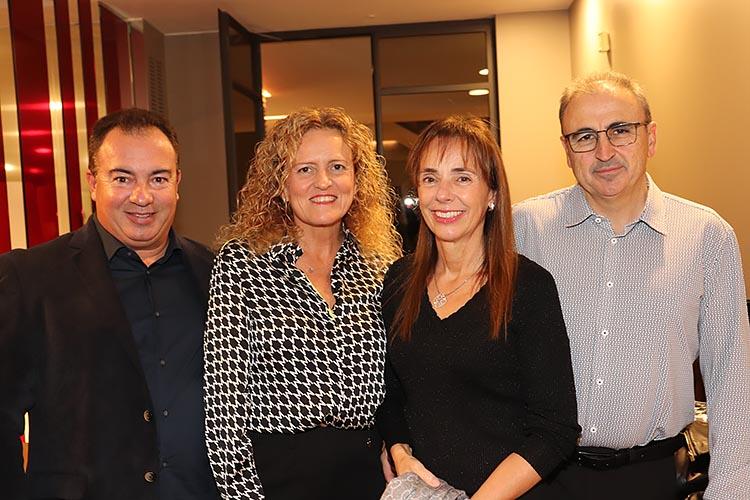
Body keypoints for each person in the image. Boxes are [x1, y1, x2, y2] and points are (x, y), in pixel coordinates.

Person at [513, 71, 750, 499]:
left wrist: (730, 491)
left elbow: (732, 380)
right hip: (540, 478)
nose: (604, 151)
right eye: (584, 136)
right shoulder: (524, 229)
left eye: (621, 130)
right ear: (566, 150)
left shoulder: (706, 237)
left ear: (650, 138)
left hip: (651, 478)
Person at [0, 108, 217, 500]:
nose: (142, 196)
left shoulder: (217, 274)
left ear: (177, 183)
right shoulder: (29, 278)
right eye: (122, 178)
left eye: (158, 178)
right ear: (92, 182)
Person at [203, 107, 402, 499]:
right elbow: (224, 405)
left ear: (357, 179)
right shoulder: (243, 264)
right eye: (305, 169)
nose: (323, 182)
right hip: (279, 479)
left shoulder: (382, 269)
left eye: (337, 167)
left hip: (368, 478)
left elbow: (399, 384)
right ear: (280, 183)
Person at [377, 116, 580, 499]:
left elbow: (555, 430)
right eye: (430, 178)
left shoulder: (528, 287)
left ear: (492, 194)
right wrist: (401, 454)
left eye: (462, 178)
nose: (443, 194)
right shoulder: (399, 281)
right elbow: (389, 392)